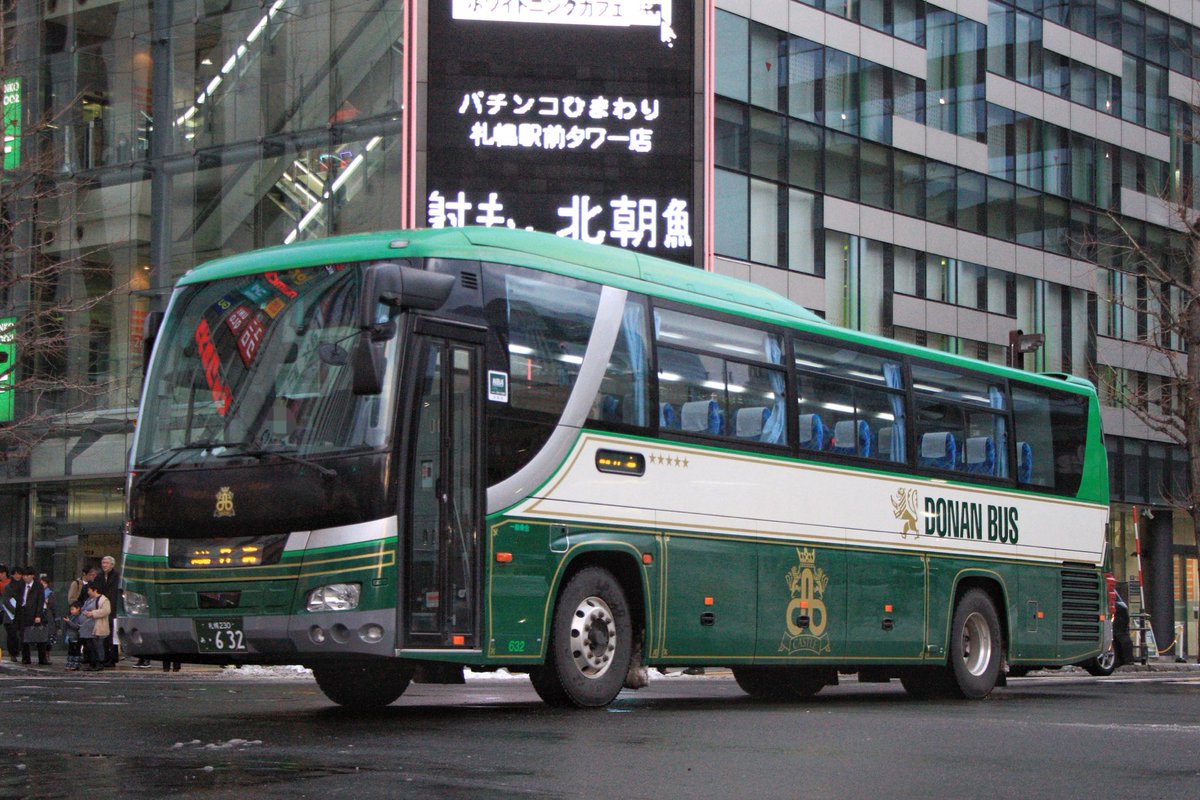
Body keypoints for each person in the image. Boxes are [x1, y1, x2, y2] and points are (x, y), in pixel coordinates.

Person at [15, 566, 49, 665]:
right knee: (24, 636)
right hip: (23, 612)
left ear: (32, 576)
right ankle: (26, 658)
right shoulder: (21, 585)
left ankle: (42, 659)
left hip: (34, 613)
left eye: (27, 576)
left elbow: (40, 601)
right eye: (24, 576)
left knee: (38, 636)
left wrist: (38, 615)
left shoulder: (38, 586)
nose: (25, 578)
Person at [91, 556, 121, 666]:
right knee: (103, 634)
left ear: (112, 565)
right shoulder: (99, 576)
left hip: (114, 608)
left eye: (107, 563)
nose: (104, 565)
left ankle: (113, 658)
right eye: (103, 563)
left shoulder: (117, 576)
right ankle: (104, 657)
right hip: (102, 607)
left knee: (113, 635)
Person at [80, 584, 110, 672]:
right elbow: (83, 609)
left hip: (98, 626)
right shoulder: (88, 600)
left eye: (89, 590)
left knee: (98, 646)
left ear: (95, 590)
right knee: (91, 646)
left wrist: (93, 613)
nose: (88, 592)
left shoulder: (103, 600)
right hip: (88, 627)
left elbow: (106, 611)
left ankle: (99, 663)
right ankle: (92, 663)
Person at [2, 566, 22, 661]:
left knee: (20, 635)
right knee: (12, 635)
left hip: (21, 616)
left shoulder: (24, 586)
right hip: (10, 615)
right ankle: (12, 654)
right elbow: (6, 601)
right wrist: (15, 611)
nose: (17, 576)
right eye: (15, 574)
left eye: (19, 574)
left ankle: (19, 652)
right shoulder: (8, 587)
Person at [62, 603, 83, 671]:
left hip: (76, 637)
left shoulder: (79, 617)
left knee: (76, 650)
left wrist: (69, 622)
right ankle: (70, 662)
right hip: (70, 637)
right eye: (71, 609)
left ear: (78, 609)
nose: (71, 611)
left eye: (73, 609)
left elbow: (76, 627)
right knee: (70, 650)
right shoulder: (71, 616)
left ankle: (76, 663)